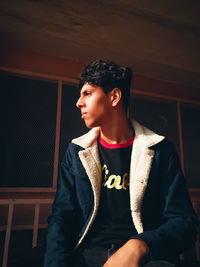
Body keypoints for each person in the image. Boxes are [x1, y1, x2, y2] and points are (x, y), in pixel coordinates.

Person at [44, 60, 197, 267]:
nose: (79, 102)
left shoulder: (160, 150)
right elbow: (61, 218)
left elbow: (184, 223)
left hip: (144, 258)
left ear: (114, 97)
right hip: (87, 256)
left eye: (87, 93)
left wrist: (139, 246)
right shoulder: (77, 151)